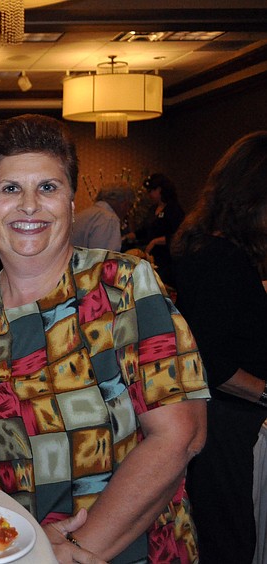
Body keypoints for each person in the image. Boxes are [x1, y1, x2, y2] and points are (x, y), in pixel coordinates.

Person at [0, 114, 209, 564]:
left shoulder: (122, 286)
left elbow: (181, 435)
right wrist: (21, 534)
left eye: (48, 188)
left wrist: (74, 549)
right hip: (2, 549)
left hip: (125, 550)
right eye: (10, 188)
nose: (29, 205)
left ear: (72, 206)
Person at [171, 131, 267, 564]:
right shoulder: (220, 256)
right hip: (226, 422)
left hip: (223, 417)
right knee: (229, 541)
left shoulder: (213, 247)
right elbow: (213, 362)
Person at [137, 173, 184, 284]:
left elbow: (180, 235)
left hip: (166, 260)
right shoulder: (153, 209)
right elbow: (145, 230)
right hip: (152, 259)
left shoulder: (173, 209)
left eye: (151, 191)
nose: (149, 195)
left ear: (159, 190)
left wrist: (156, 241)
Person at [71, 182, 134, 251]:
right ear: (123, 204)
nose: (128, 211)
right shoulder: (109, 219)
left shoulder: (84, 214)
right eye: (129, 206)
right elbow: (103, 259)